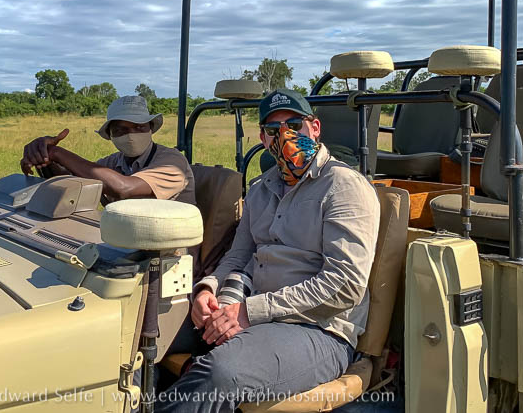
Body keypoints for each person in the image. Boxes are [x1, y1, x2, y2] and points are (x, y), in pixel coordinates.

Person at [157, 89, 380, 412]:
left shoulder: (343, 186)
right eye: (274, 131)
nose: (286, 137)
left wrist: (250, 312)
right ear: (263, 137)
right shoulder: (262, 188)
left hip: (319, 329)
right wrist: (208, 289)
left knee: (221, 372)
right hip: (253, 310)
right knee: (148, 330)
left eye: (294, 125)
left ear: (314, 128)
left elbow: (344, 285)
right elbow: (238, 256)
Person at [20, 95, 195, 205]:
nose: (131, 135)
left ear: (150, 128)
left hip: (172, 254)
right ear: (110, 135)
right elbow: (75, 185)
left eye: (139, 127)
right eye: (121, 130)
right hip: (127, 243)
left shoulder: (171, 162)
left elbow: (124, 188)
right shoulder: (113, 163)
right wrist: (45, 160)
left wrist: (58, 153)